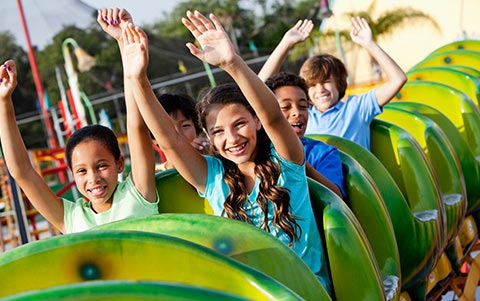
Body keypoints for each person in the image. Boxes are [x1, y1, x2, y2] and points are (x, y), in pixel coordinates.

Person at [120, 11, 331, 293]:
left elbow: (274, 118)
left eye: (240, 124)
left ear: (256, 121)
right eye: (218, 131)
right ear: (208, 136)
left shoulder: (286, 160)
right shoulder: (213, 177)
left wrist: (232, 63)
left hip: (304, 291)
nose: (231, 138)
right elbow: (169, 139)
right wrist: (138, 80)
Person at [260, 17, 407, 150]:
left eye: (326, 82)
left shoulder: (357, 108)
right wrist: (286, 44)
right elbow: (257, 89)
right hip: (316, 177)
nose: (320, 89)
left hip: (352, 179)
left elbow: (398, 79)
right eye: (313, 85)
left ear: (339, 83)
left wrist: (368, 43)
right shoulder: (303, 115)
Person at [265, 71, 346, 198]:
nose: (297, 112)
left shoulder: (323, 152)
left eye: (303, 106)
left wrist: (300, 163)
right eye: (286, 107)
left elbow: (337, 197)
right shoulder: (257, 150)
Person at [153, 92, 209, 171]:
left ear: (197, 129)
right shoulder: (155, 175)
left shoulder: (215, 162)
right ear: (154, 140)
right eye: (167, 128)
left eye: (185, 125)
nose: (178, 134)